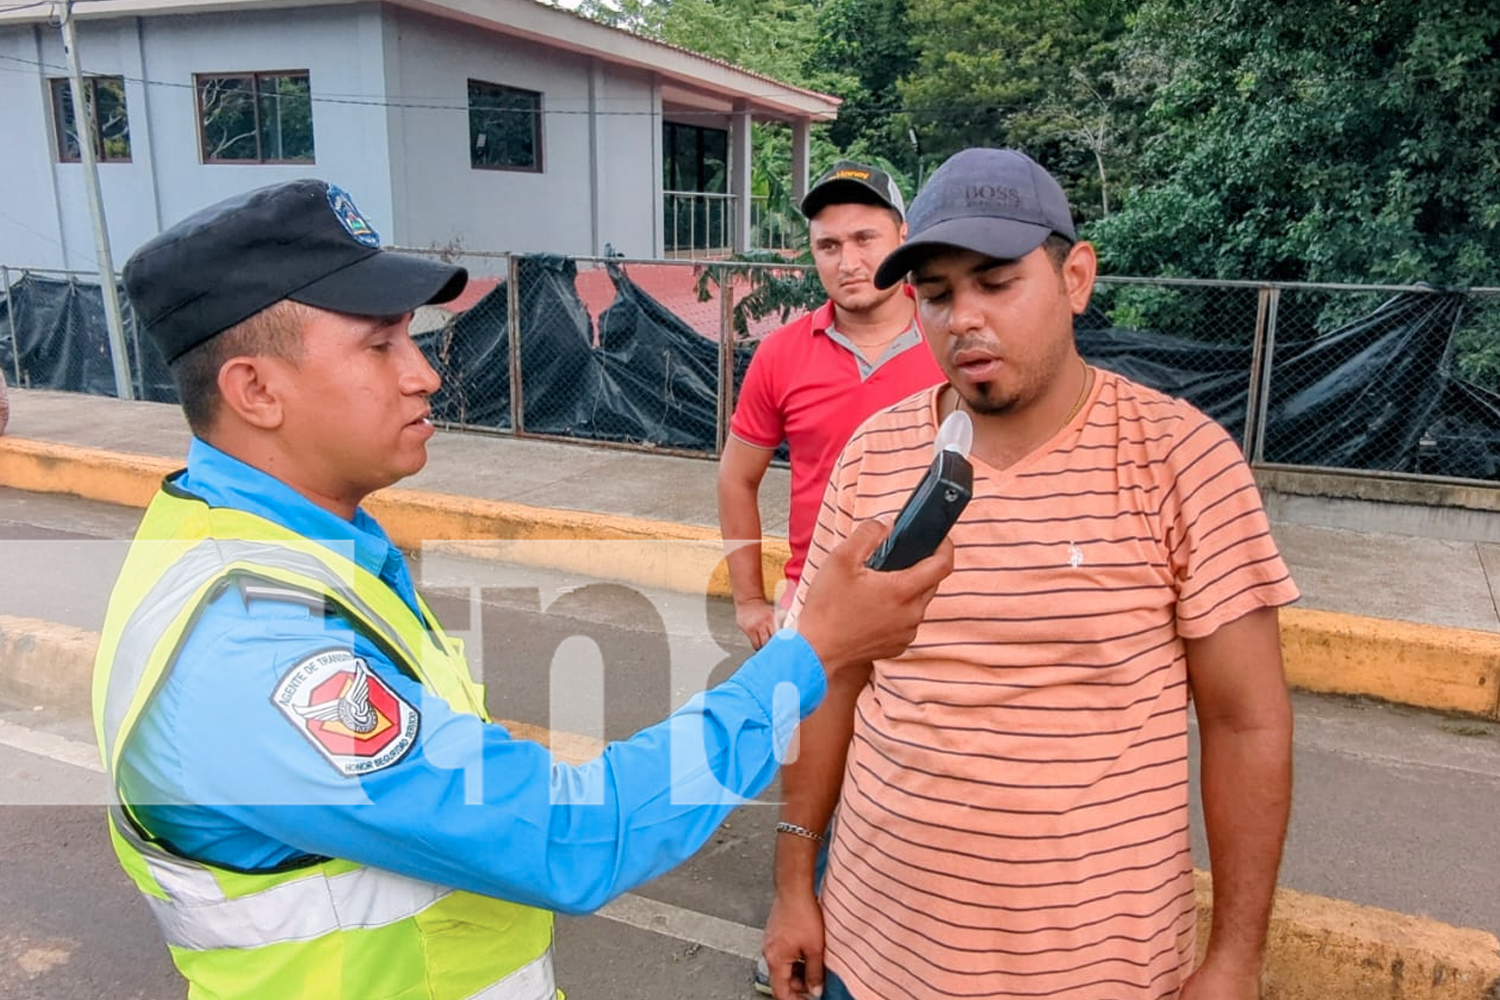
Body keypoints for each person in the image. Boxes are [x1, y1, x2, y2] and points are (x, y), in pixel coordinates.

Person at [94, 178, 953, 1000]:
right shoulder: (257, 645)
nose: (424, 373)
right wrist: (812, 653)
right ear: (256, 390)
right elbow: (573, 837)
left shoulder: (294, 548)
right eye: (379, 343)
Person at [764, 148, 1299, 1000]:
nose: (963, 318)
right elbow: (828, 682)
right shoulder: (874, 456)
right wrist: (795, 883)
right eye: (936, 294)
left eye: (996, 281)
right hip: (872, 958)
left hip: (1101, 974)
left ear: (1075, 277)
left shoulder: (1180, 460)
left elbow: (1247, 725)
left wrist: (1235, 957)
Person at [719, 160, 944, 650]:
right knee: (806, 730)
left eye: (865, 239)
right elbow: (736, 477)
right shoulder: (780, 354)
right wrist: (749, 600)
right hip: (816, 604)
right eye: (829, 246)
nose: (848, 262)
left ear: (902, 237)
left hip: (938, 605)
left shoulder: (952, 340)